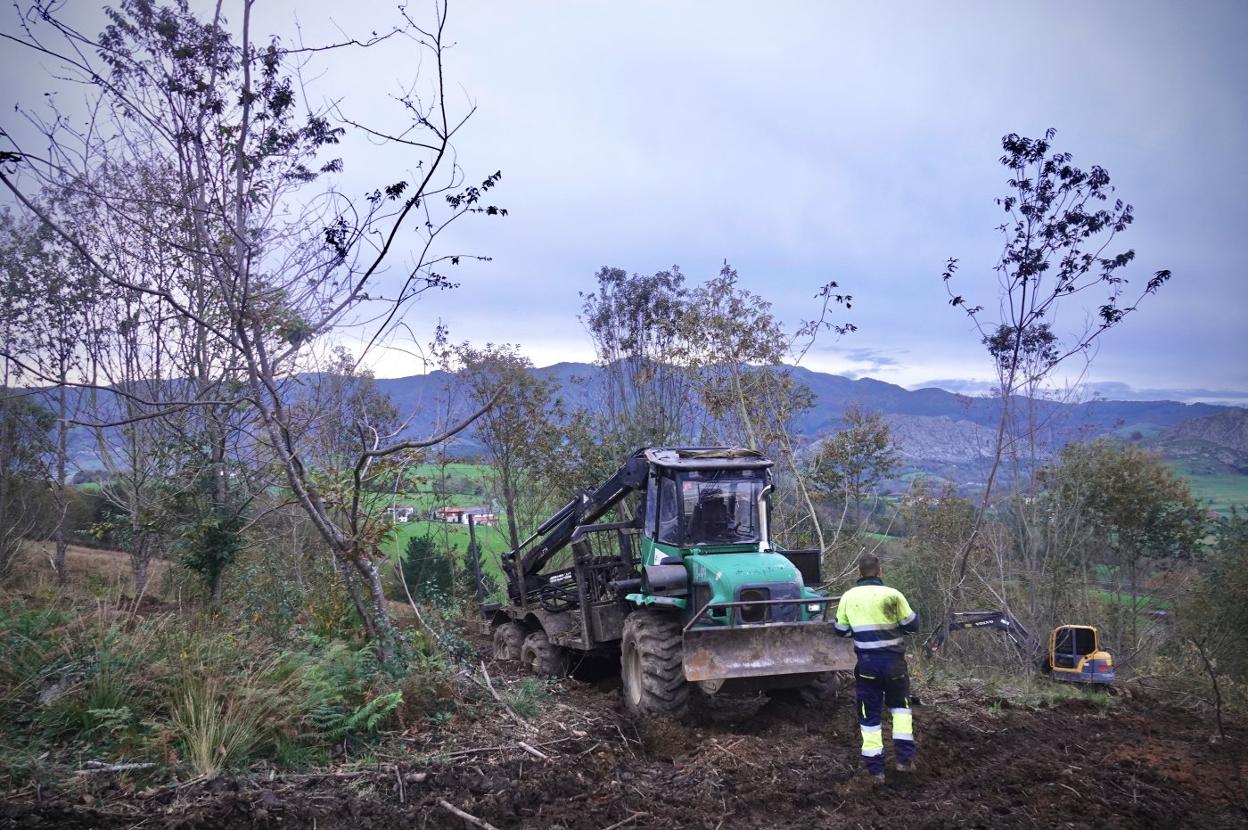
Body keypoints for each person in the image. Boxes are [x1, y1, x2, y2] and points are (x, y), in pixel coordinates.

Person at [834, 553, 920, 783]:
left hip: (867, 666)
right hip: (894, 664)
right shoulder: (893, 595)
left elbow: (840, 630)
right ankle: (904, 760)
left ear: (859, 573)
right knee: (901, 711)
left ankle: (875, 771)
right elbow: (913, 625)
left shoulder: (848, 597)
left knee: (869, 715)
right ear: (880, 572)